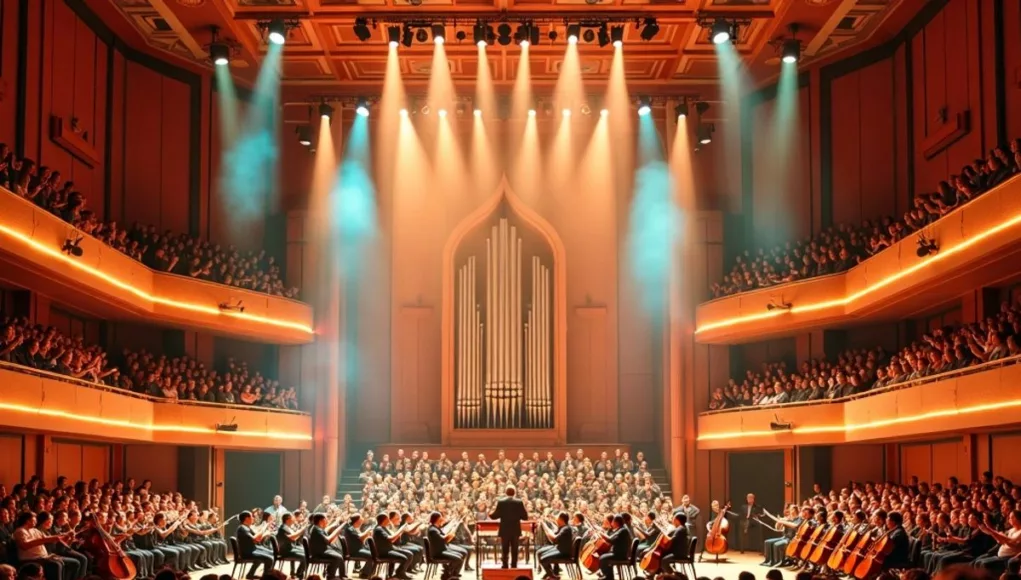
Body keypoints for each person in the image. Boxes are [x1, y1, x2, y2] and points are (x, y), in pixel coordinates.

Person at [12, 513, 76, 580]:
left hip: (42, 557)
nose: (36, 521)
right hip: (31, 559)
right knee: (56, 565)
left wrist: (66, 535)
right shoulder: (20, 531)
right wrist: (45, 540)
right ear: (28, 520)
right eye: (34, 519)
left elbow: (48, 538)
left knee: (61, 563)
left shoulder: (35, 530)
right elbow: (24, 546)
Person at [489, 485, 529, 568]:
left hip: (504, 529)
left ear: (505, 492)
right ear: (514, 493)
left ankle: (505, 564)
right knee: (515, 548)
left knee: (505, 548)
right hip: (515, 529)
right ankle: (514, 564)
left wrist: (490, 513)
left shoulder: (501, 502)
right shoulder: (519, 502)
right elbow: (525, 517)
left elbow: (494, 516)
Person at [975, 510, 1021, 575]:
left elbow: (1011, 542)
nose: (1009, 519)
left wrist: (990, 529)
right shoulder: (1011, 530)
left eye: (1012, 517)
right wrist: (990, 532)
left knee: (983, 564)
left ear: (1018, 519)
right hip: (1000, 556)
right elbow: (1000, 541)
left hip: (1008, 557)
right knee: (978, 562)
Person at [235, 511, 273, 580]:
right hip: (247, 552)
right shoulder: (242, 528)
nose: (253, 518)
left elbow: (258, 538)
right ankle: (266, 578)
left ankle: (250, 574)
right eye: (252, 517)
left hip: (252, 549)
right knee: (269, 558)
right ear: (247, 518)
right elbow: (255, 539)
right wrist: (264, 527)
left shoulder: (246, 527)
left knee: (271, 553)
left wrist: (265, 533)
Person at [372, 513, 410, 580]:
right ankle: (399, 573)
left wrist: (400, 531)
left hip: (390, 548)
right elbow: (391, 539)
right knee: (404, 558)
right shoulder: (379, 529)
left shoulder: (383, 528)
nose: (389, 520)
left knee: (409, 554)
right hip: (384, 551)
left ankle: (400, 573)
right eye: (387, 519)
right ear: (384, 520)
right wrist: (401, 530)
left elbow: (393, 539)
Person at [427, 511, 464, 579]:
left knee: (459, 556)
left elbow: (443, 537)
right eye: (441, 518)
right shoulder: (433, 530)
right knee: (458, 559)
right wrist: (452, 531)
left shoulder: (435, 528)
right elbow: (444, 539)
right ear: (438, 519)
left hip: (441, 550)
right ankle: (450, 575)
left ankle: (450, 574)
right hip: (438, 553)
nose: (442, 519)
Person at [309, 513, 346, 580]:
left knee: (339, 553)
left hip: (323, 549)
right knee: (338, 557)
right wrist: (340, 527)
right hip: (320, 552)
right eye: (326, 519)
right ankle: (331, 576)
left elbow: (328, 533)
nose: (327, 520)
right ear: (321, 521)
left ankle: (341, 576)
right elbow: (328, 540)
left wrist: (338, 523)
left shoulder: (318, 528)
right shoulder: (316, 529)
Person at [538, 512, 574, 579]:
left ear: (561, 519)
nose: (556, 519)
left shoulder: (566, 529)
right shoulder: (563, 527)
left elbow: (554, 539)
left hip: (563, 552)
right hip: (560, 548)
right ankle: (550, 573)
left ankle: (553, 576)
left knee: (542, 559)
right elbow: (553, 534)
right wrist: (546, 527)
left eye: (557, 518)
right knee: (540, 553)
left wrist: (545, 527)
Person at [598, 515, 633, 580]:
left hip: (620, 555)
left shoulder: (622, 531)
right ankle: (609, 576)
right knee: (603, 556)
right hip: (619, 553)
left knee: (602, 558)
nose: (611, 523)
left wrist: (601, 533)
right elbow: (612, 539)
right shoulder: (621, 529)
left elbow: (610, 540)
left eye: (613, 521)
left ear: (616, 522)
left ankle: (609, 577)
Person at [276, 513, 308, 578]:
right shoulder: (283, 527)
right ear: (288, 519)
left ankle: (299, 572)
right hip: (286, 551)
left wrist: (301, 531)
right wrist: (302, 529)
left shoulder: (287, 527)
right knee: (305, 556)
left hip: (290, 548)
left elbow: (294, 538)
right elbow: (292, 537)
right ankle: (299, 573)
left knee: (306, 552)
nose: (294, 519)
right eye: (292, 518)